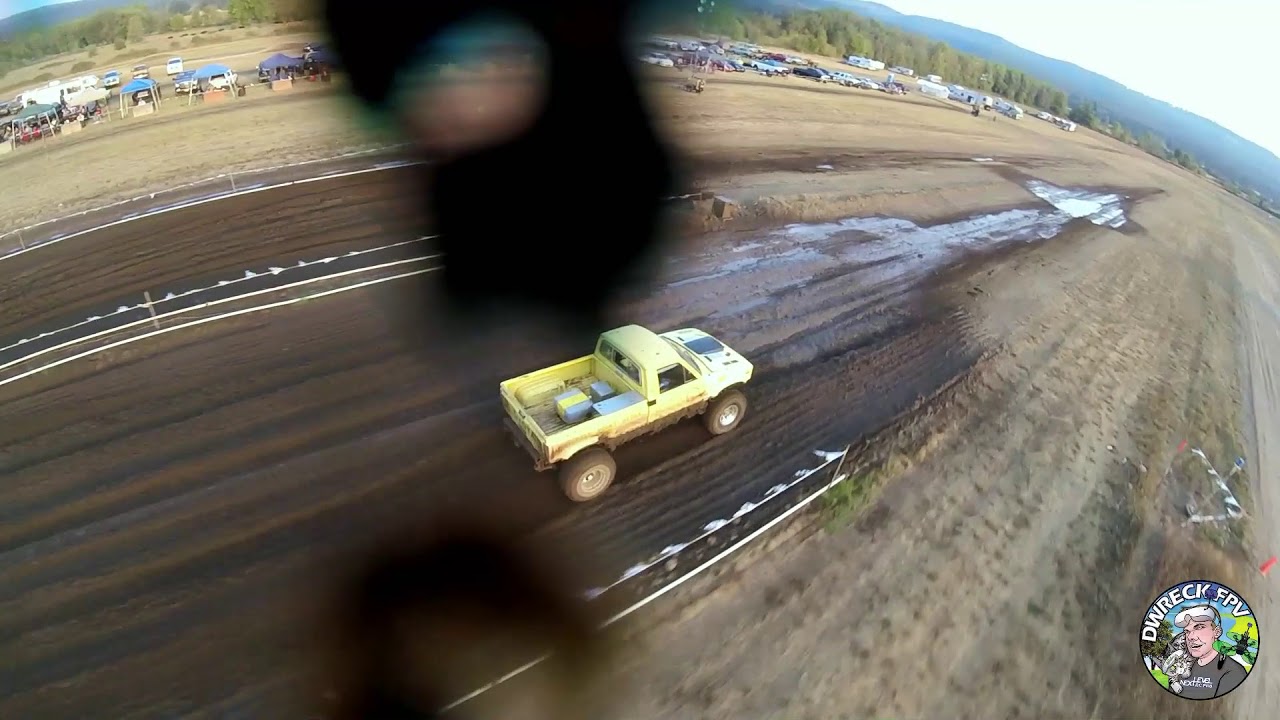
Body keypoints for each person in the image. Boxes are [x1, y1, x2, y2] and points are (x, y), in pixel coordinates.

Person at [1167, 604, 1247, 699]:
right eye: (1187, 631)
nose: (1190, 637)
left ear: (1217, 632)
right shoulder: (1182, 667)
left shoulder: (1233, 672)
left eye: (1199, 627)